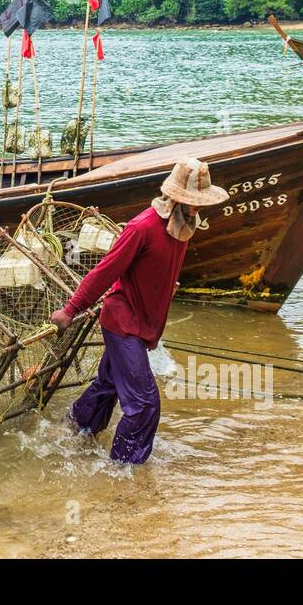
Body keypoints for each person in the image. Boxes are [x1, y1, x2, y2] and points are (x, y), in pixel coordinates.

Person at [49, 157, 229, 464]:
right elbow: (104, 272)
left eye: (200, 203)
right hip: (122, 323)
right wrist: (71, 309)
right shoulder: (142, 227)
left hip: (142, 323)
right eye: (193, 203)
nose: (197, 209)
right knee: (145, 402)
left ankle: (73, 428)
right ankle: (123, 467)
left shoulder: (183, 227)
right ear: (175, 199)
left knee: (108, 384)